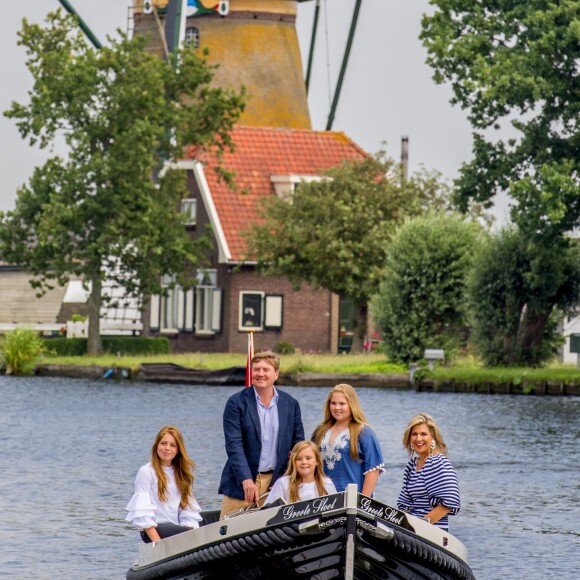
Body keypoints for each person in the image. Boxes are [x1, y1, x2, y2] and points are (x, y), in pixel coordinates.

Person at [218, 350, 305, 517]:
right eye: (256, 369)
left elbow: (298, 445)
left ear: (276, 374)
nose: (260, 374)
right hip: (242, 483)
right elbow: (233, 444)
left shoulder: (290, 404)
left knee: (272, 536)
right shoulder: (236, 403)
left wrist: (284, 477)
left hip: (276, 483)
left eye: (266, 370)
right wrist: (246, 479)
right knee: (227, 533)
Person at [125, 425, 202, 543]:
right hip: (155, 529)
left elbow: (188, 510)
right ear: (156, 445)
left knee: (207, 525)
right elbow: (142, 513)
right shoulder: (146, 471)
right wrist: (158, 544)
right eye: (163, 443)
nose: (167, 448)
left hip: (176, 529)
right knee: (200, 534)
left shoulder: (182, 474)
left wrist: (189, 532)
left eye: (172, 445)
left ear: (178, 450)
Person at [312, 384, 384, 495]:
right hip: (323, 499)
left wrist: (362, 502)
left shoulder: (364, 432)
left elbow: (373, 470)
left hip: (352, 500)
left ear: (351, 404)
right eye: (333, 403)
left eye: (342, 404)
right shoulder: (321, 430)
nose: (337, 408)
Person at [397, 413, 460, 530]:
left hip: (431, 532)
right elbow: (404, 505)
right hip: (411, 529)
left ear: (433, 438)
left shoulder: (437, 461)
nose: (418, 438)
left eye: (423, 434)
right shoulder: (412, 465)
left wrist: (421, 527)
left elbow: (450, 502)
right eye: (414, 434)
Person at [265, 440, 337, 505]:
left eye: (308, 458)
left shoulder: (326, 484)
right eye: (298, 459)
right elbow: (269, 511)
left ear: (317, 461)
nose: (304, 462)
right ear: (293, 462)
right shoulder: (283, 483)